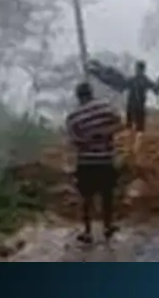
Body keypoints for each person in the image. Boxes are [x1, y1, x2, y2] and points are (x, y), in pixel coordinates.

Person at [66, 82, 123, 244]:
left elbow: (74, 140)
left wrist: (88, 139)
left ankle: (87, 231)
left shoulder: (73, 117)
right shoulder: (106, 107)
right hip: (106, 158)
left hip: (86, 162)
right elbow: (120, 124)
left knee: (86, 197)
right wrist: (105, 133)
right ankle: (108, 227)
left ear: (78, 96)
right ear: (92, 93)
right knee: (107, 195)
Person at [125, 60, 159, 133]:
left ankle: (135, 142)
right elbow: (156, 90)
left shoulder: (135, 80)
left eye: (137, 68)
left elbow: (156, 90)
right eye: (136, 68)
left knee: (135, 127)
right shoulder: (141, 80)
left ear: (140, 69)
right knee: (135, 127)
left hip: (135, 106)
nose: (136, 70)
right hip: (135, 106)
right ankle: (134, 141)